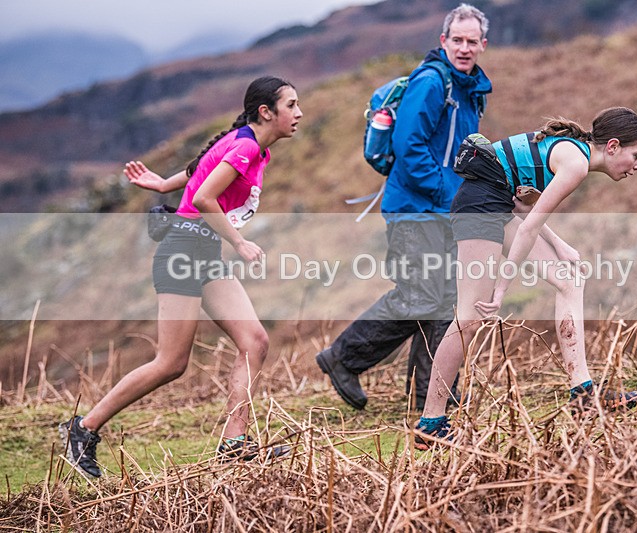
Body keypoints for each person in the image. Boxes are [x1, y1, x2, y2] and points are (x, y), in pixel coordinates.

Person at [59, 76, 303, 478]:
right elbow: (206, 196)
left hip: (202, 253)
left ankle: (234, 446)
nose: (298, 114)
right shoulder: (245, 146)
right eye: (291, 105)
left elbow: (200, 169)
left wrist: (161, 184)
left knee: (254, 341)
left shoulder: (247, 144)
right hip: (184, 253)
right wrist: (240, 243)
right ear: (266, 112)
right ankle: (83, 429)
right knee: (171, 362)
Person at [414, 107, 637, 449]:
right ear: (613, 146)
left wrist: (561, 246)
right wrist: (501, 287)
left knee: (569, 279)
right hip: (479, 207)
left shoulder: (574, 154)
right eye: (636, 155)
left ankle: (583, 394)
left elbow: (526, 208)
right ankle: (430, 423)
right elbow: (526, 227)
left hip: (497, 204)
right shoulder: (576, 163)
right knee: (471, 316)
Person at [315, 3, 493, 411]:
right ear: (443, 41)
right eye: (457, 40)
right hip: (416, 210)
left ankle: (432, 395)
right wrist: (450, 199)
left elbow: (459, 156)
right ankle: (344, 357)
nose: (464, 48)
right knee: (422, 295)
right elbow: (408, 148)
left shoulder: (471, 92)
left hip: (442, 210)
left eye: (472, 41)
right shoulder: (432, 83)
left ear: (483, 45)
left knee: (442, 300)